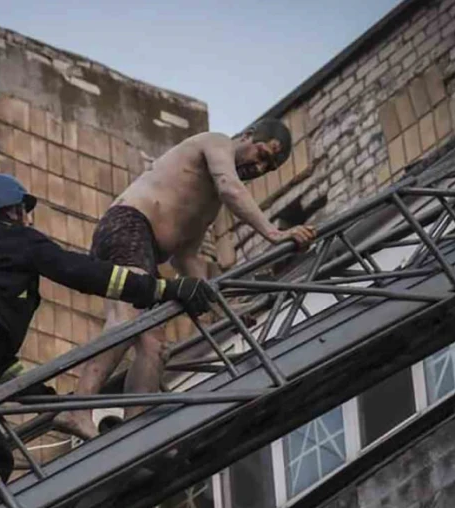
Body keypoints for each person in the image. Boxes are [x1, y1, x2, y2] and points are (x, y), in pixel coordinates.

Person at [0, 173, 216, 508]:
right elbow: (82, 272)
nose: (30, 220)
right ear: (13, 211)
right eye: (26, 212)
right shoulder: (14, 239)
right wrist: (163, 288)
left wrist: (45, 399)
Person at [68, 118, 318, 437]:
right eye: (263, 155)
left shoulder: (208, 202)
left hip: (143, 248)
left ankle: (134, 429)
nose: (259, 167)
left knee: (154, 345)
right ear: (248, 135)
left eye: (268, 167)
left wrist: (219, 309)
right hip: (128, 227)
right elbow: (231, 188)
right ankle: (78, 409)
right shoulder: (215, 143)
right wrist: (274, 233)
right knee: (126, 321)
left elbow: (185, 257)